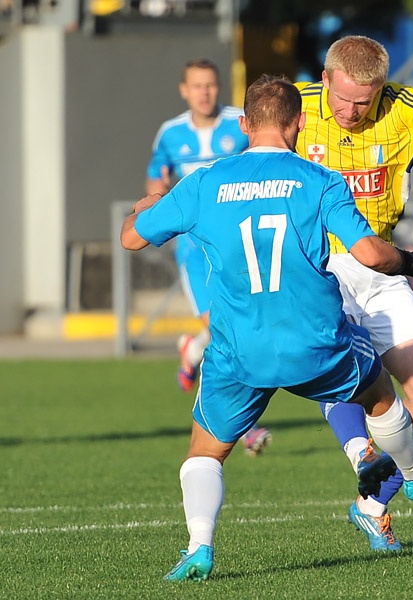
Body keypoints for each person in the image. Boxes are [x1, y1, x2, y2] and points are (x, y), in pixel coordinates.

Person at [121, 75, 413, 581]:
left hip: (239, 352)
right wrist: (412, 262)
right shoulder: (319, 179)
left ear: (243, 125)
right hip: (315, 343)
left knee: (205, 452)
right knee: (378, 390)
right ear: (299, 123)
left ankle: (199, 547)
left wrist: (147, 208)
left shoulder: (202, 183)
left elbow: (132, 238)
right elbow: (370, 253)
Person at [293, 35, 413, 552]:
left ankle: (372, 504)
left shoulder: (405, 107)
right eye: (343, 99)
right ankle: (369, 457)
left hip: (380, 271)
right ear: (324, 79)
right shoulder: (297, 108)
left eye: (364, 101)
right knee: (345, 373)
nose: (352, 111)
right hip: (316, 269)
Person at [146, 59, 273, 456]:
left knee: (246, 324)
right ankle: (246, 426)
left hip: (238, 244)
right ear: (184, 90)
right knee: (228, 331)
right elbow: (156, 180)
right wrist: (160, 215)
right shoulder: (171, 133)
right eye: (197, 86)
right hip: (195, 250)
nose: (205, 92)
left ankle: (192, 351)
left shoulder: (240, 122)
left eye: (211, 85)